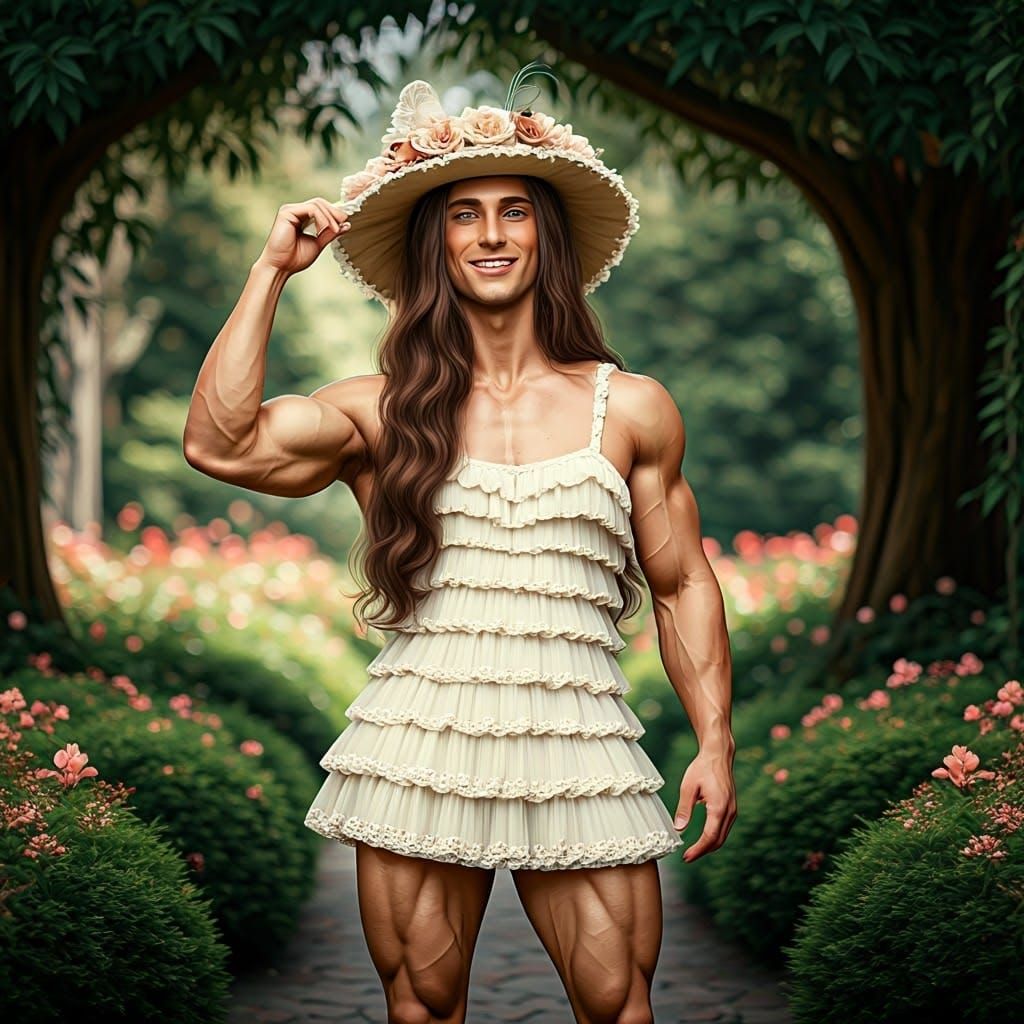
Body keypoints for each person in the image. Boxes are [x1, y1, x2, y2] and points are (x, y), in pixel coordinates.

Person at [183, 72, 736, 1024]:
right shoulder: (378, 408)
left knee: (619, 1003)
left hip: (581, 737)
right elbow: (219, 444)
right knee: (425, 1003)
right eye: (464, 215)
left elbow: (683, 583)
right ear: (435, 241)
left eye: (515, 212)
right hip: (419, 742)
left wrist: (716, 742)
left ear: (545, 237)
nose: (490, 235)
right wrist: (270, 270)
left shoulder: (632, 407)